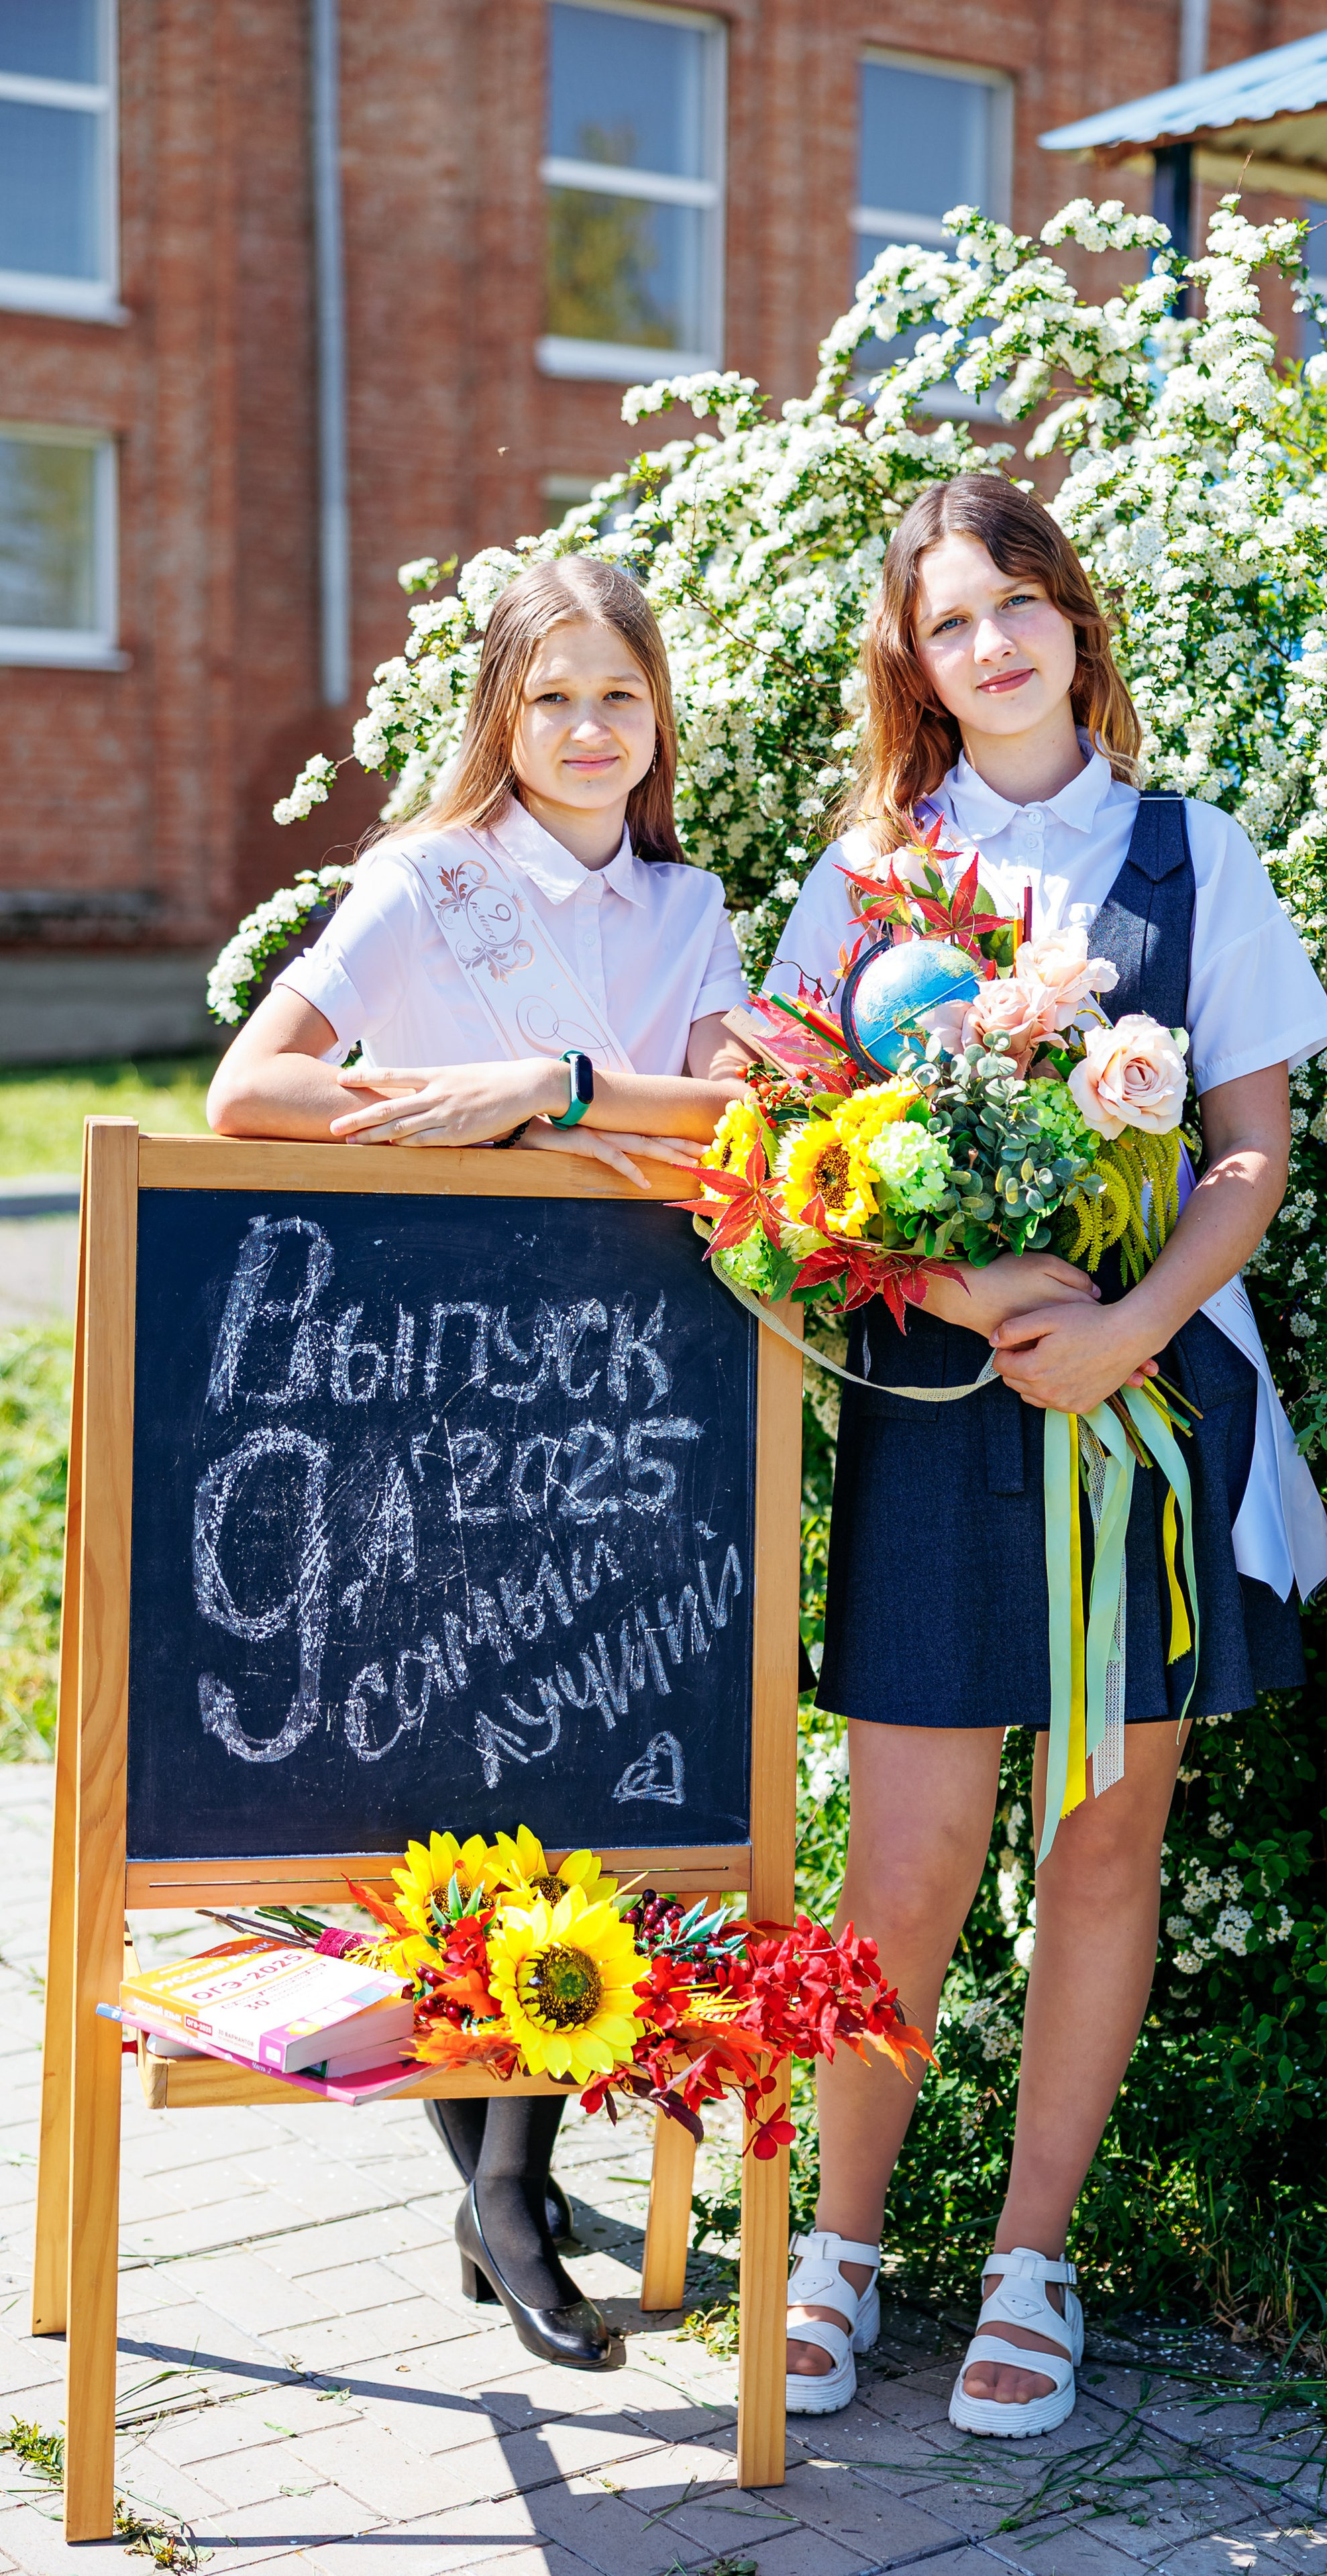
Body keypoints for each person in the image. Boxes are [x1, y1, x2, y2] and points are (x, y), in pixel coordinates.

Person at [761, 474, 1327, 2437]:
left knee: (1102, 1843)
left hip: (1152, 1418)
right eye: (951, 622)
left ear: (1077, 622)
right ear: (911, 666)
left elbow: (1249, 1153)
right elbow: (788, 1163)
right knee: (911, 1859)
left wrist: (1121, 1328)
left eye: (1020, 603)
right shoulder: (868, 873)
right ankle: (842, 2247)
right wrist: (965, 1296)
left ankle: (1031, 2259)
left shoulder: (1195, 856)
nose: (993, 644)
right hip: (939, 1418)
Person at [208, 555, 751, 2368]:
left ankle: (499, 2188)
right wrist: (447, 1104)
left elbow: (746, 1119)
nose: (589, 731)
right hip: (419, 1377)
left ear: (658, 717)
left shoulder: (692, 907)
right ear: (498, 721)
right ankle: (502, 2189)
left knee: (578, 1745)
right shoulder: (423, 883)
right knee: (441, 1754)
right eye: (552, 701)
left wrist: (559, 1086)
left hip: (619, 1392)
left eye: (620, 697)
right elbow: (248, 1092)